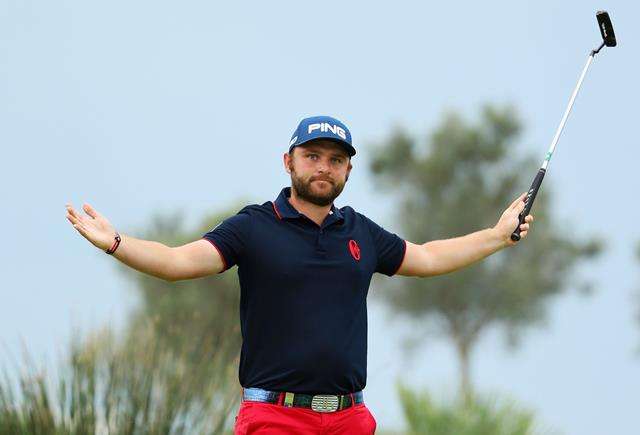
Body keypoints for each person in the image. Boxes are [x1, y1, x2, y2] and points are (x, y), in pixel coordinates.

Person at [65, 115, 533, 434]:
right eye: (312, 156)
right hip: (274, 417)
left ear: (348, 169)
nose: (323, 167)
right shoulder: (253, 227)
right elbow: (176, 262)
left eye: (335, 160)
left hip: (350, 418)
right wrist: (116, 242)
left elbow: (428, 258)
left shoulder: (360, 233)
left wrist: (496, 235)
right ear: (288, 161)